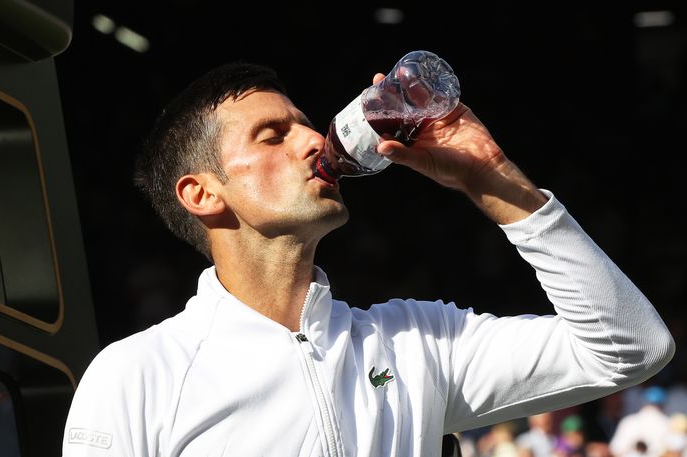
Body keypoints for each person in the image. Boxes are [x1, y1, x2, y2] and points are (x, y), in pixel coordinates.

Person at [62, 61, 675, 456]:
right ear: (202, 194)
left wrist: (493, 180)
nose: (311, 140)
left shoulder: (417, 342)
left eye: (305, 125)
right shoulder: (137, 375)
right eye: (272, 135)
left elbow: (632, 348)